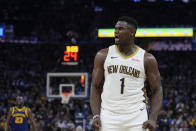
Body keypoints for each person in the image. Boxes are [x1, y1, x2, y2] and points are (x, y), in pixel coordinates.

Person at [90, 16, 163, 131]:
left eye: (120, 29)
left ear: (131, 32)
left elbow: (157, 89)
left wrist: (153, 118)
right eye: (115, 28)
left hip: (137, 116)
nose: (116, 31)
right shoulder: (103, 55)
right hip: (108, 115)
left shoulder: (147, 59)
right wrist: (96, 115)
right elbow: (95, 86)